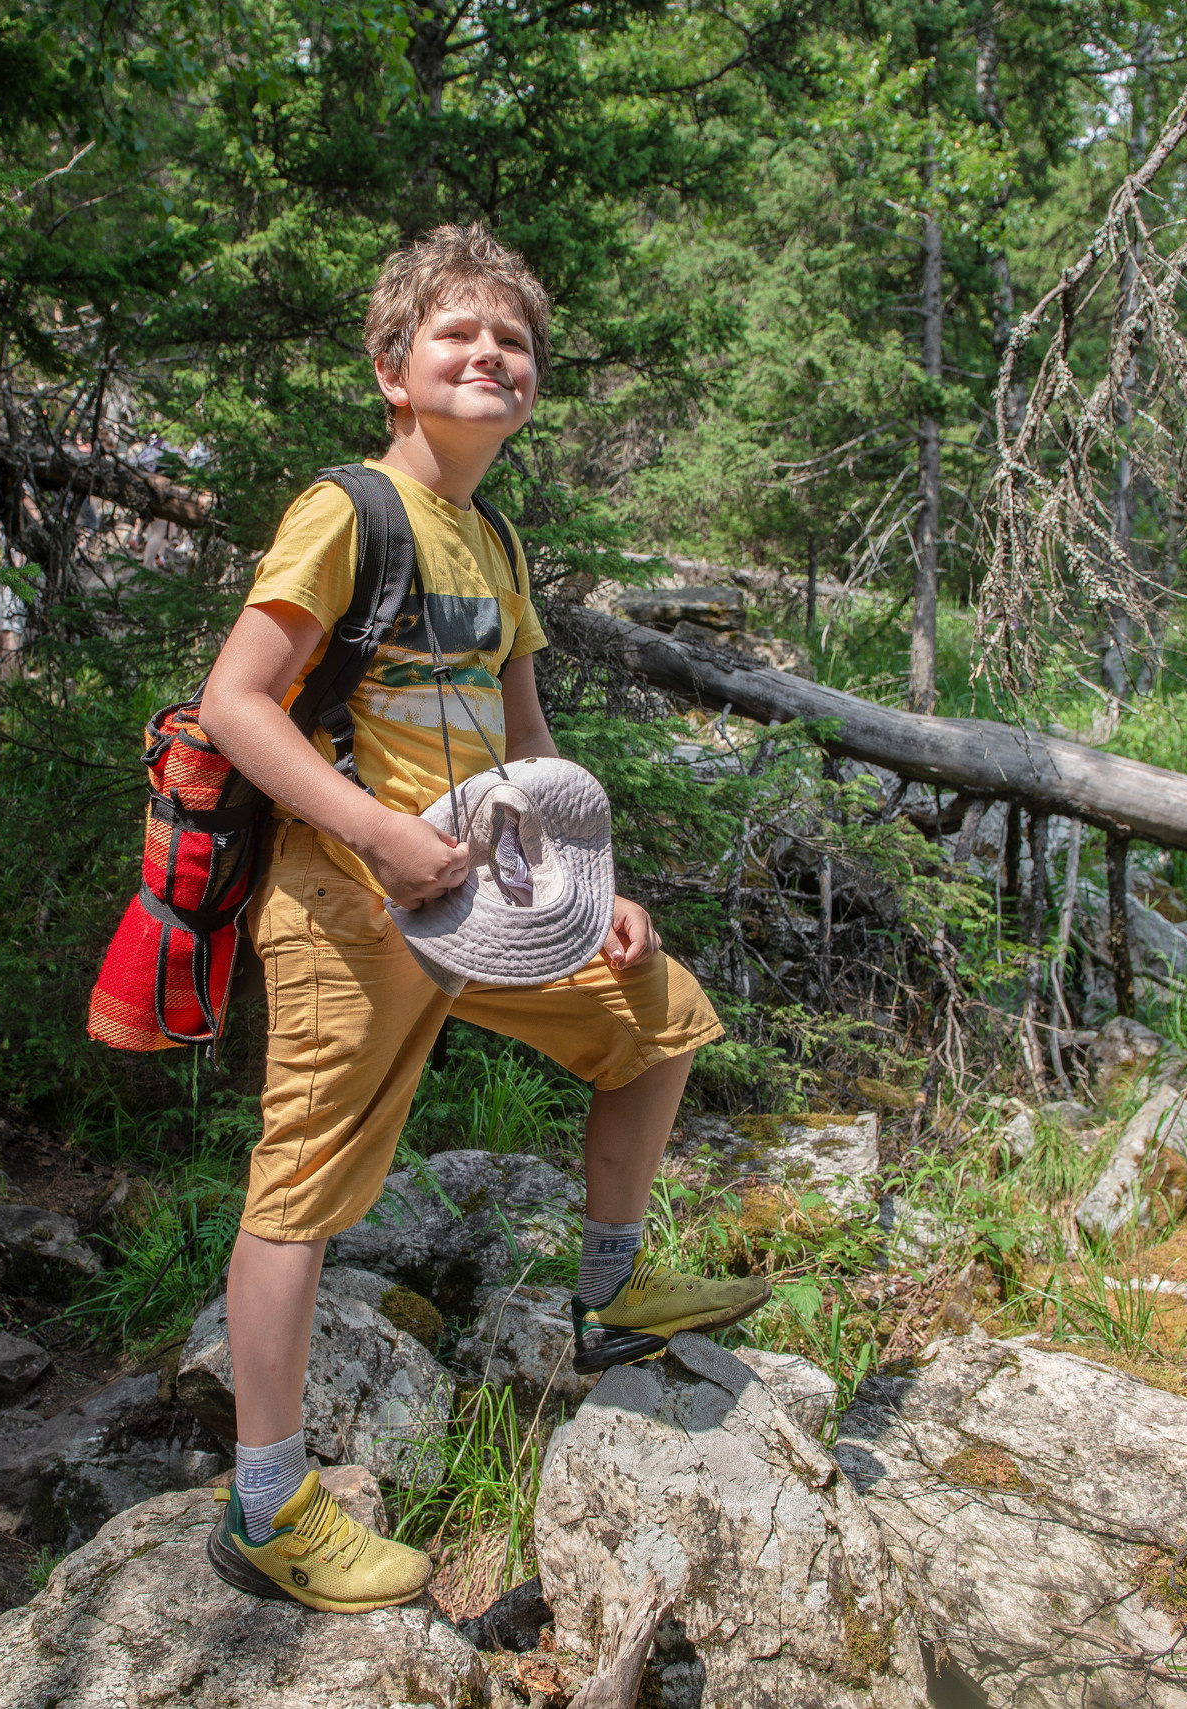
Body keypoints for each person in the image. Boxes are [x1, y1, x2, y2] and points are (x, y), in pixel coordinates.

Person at [194, 225, 767, 1615]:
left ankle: (614, 1294)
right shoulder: (350, 511)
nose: (490, 354)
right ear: (393, 368)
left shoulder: (494, 539)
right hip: (352, 902)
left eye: (511, 340)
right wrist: (383, 834)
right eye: (458, 334)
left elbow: (527, 741)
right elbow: (236, 701)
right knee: (304, 1185)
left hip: (496, 903)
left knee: (659, 1014)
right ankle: (267, 1504)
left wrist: (594, 882)